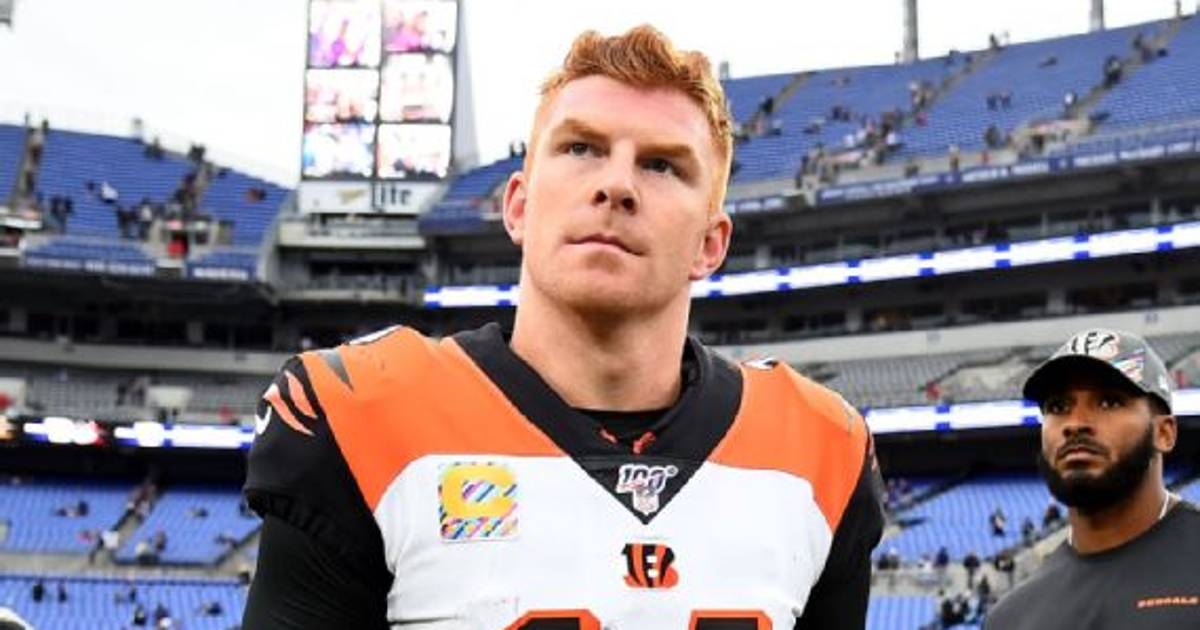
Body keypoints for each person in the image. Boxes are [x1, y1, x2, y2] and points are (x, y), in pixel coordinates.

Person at [243, 24, 883, 629]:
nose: (617, 185)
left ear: (710, 244)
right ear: (518, 207)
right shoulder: (364, 416)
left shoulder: (821, 451)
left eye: (662, 165)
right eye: (582, 148)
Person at [985, 328, 1200, 629]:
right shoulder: (1011, 618)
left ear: (1164, 433)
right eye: (1058, 407)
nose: (1075, 424)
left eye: (1109, 402)